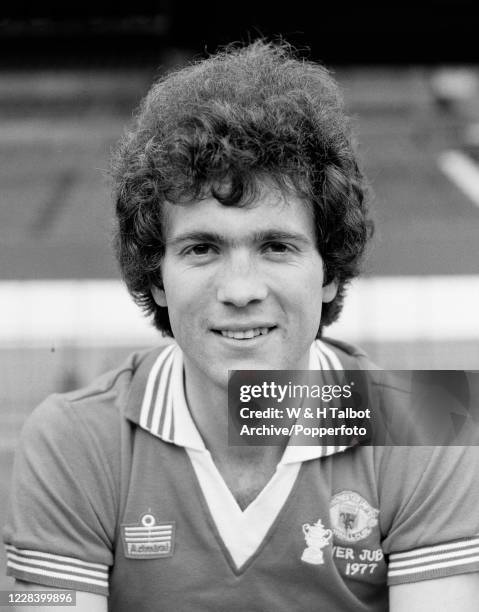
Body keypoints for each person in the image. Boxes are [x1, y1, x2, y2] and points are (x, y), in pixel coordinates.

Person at [4, 41, 479, 612]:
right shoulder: (72, 440)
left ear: (328, 272)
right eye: (202, 248)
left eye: (276, 246)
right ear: (157, 278)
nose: (240, 290)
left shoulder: (430, 423)